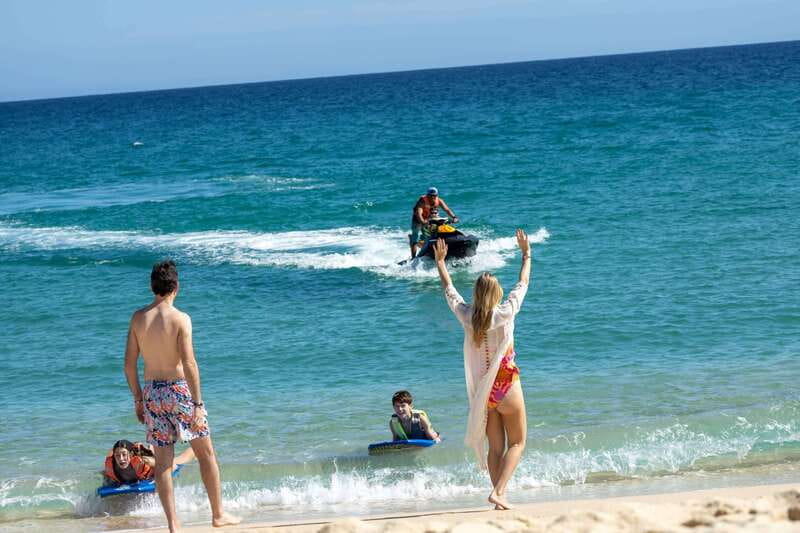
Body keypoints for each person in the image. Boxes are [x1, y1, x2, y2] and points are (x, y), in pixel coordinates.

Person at [124, 259, 240, 531]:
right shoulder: (180, 319)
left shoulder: (138, 318)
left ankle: (174, 525)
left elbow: (129, 364)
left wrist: (138, 399)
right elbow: (189, 364)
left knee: (163, 463)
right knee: (206, 453)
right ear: (176, 286)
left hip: (153, 392)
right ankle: (218, 515)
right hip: (179, 391)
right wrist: (198, 404)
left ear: (152, 287)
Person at [433, 229, 531, 511]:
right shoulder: (505, 312)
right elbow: (523, 282)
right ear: (496, 294)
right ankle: (499, 492)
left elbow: (450, 293)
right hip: (506, 385)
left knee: (496, 448)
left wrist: (441, 263)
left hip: (485, 394)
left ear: (476, 294)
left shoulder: (467, 316)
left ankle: (498, 495)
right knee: (519, 442)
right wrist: (526, 254)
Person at [102, 439, 195, 485]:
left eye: (124, 454)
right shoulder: (110, 464)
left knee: (180, 460)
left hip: (153, 462)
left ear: (130, 455)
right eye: (117, 455)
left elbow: (172, 467)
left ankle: (196, 450)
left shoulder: (143, 461)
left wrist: (156, 481)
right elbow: (107, 475)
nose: (121, 459)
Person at [410, 187, 459, 259]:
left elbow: (447, 209)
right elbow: (419, 213)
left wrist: (454, 217)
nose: (433, 197)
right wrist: (422, 221)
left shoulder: (439, 200)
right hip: (417, 220)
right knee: (415, 238)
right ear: (427, 195)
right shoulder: (422, 200)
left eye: (434, 195)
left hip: (427, 219)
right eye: (431, 195)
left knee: (426, 237)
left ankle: (425, 251)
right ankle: (413, 257)